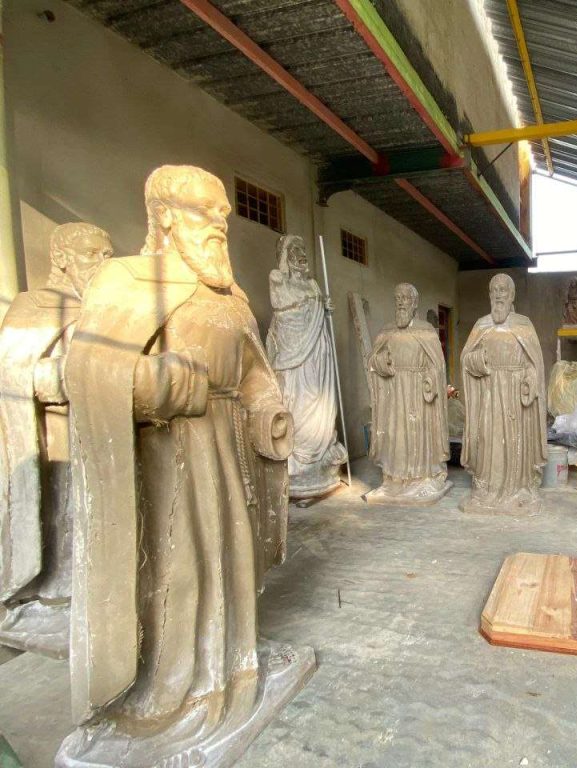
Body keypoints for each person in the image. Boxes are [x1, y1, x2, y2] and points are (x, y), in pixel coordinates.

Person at [58, 165, 313, 766]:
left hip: (228, 453)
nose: (220, 223)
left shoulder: (231, 299)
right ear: (166, 216)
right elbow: (87, 371)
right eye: (206, 212)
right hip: (166, 456)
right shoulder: (127, 280)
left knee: (230, 558)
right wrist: (165, 386)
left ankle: (230, 667)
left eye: (224, 213)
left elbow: (253, 373)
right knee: (177, 568)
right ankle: (170, 691)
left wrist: (268, 409)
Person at [0, 222, 112, 658]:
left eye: (107, 254)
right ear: (62, 258)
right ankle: (59, 592)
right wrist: (68, 376)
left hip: (105, 430)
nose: (102, 262)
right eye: (91, 254)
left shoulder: (104, 308)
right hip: (56, 434)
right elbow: (13, 374)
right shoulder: (34, 307)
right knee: (65, 514)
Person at [267, 234, 347, 498]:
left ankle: (320, 460)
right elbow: (282, 306)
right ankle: (298, 466)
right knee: (297, 404)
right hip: (293, 357)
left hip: (317, 355)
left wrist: (324, 308)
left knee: (320, 404)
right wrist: (312, 305)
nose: (301, 255)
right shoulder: (278, 280)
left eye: (303, 250)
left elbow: (317, 314)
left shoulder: (313, 284)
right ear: (285, 256)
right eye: (294, 250)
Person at [460, 273, 546, 513]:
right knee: (487, 437)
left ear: (512, 295)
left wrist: (529, 379)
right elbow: (466, 359)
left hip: (515, 396)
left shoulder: (523, 324)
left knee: (515, 439)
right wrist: (480, 360)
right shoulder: (481, 325)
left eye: (503, 290)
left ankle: (517, 487)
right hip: (489, 392)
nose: (498, 295)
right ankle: (486, 488)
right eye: (494, 290)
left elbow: (534, 363)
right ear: (489, 295)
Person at [367, 282, 451, 504]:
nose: (401, 303)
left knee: (417, 433)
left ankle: (421, 477)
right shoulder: (387, 331)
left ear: (415, 303)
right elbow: (373, 360)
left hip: (418, 395)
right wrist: (382, 362)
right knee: (396, 434)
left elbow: (437, 365)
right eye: (397, 298)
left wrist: (430, 380)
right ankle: (395, 479)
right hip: (394, 393)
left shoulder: (426, 331)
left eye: (405, 298)